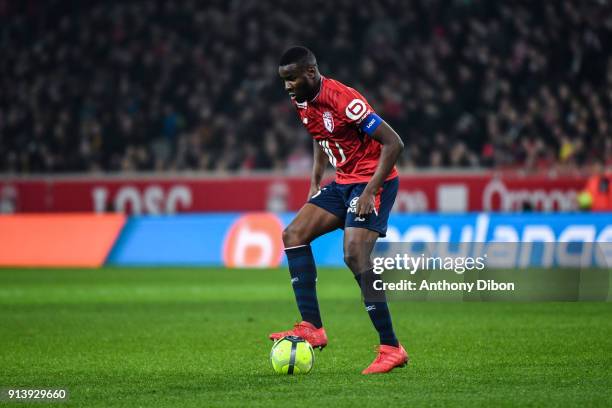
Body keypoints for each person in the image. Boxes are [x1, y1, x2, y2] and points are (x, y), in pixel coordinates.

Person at [268, 46, 408, 374]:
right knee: (294, 234)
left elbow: (394, 143)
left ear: (311, 73)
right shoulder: (301, 98)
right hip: (343, 181)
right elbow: (320, 135)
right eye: (284, 80)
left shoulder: (344, 99)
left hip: (375, 180)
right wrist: (316, 180)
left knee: (354, 253)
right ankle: (312, 327)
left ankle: (391, 347)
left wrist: (370, 190)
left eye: (291, 79)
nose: (287, 86)